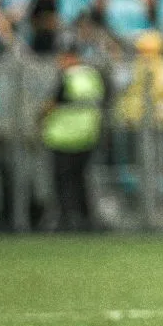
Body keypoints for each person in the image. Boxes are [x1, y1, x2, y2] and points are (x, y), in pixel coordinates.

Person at [39, 46, 105, 231]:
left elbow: (52, 104)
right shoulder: (93, 76)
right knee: (81, 179)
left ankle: (68, 219)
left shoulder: (67, 77)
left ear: (69, 57)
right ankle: (86, 219)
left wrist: (39, 118)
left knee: (64, 181)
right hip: (88, 135)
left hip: (63, 137)